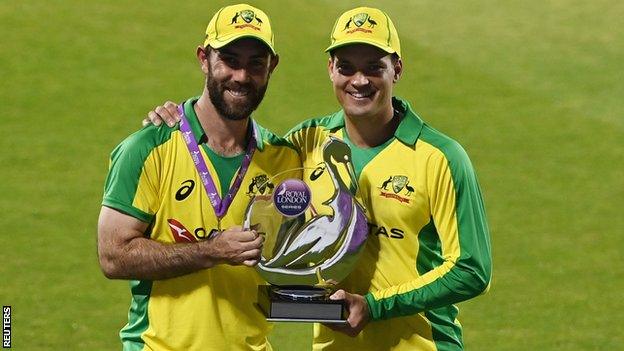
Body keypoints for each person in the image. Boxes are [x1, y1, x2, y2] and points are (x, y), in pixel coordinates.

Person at [147, 6, 492, 351]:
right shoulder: (307, 141)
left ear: (396, 69)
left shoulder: (441, 157)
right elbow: (244, 155)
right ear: (331, 70)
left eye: (374, 67)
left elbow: (471, 270)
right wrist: (181, 121)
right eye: (346, 67)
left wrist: (375, 307)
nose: (359, 81)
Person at [97, 4, 300, 350]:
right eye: (230, 59)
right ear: (204, 58)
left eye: (256, 63)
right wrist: (212, 251)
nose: (241, 75)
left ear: (272, 67)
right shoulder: (147, 148)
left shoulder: (284, 161)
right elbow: (113, 256)